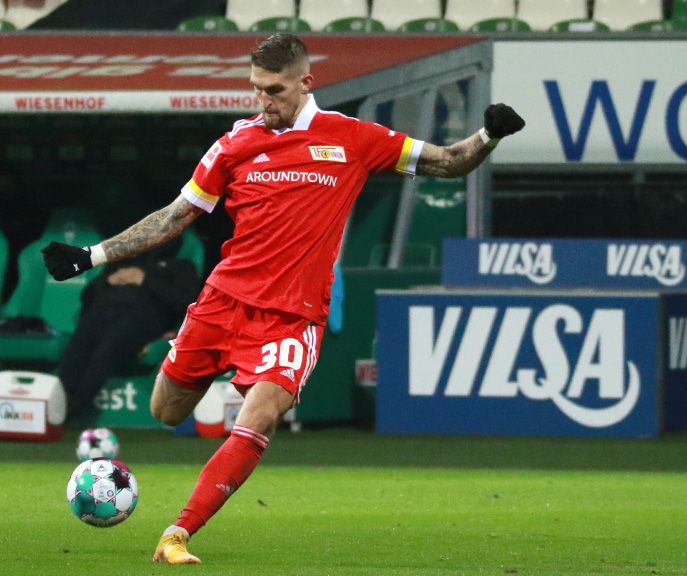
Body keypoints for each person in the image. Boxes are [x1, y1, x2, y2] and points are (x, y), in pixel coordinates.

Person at [42, 33, 525, 564]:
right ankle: (229, 387)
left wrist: (488, 135)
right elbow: (176, 216)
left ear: (305, 83)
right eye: (256, 88)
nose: (263, 100)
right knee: (165, 409)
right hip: (223, 301)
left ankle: (178, 533)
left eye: (273, 90)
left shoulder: (353, 138)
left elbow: (449, 161)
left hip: (293, 316)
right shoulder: (235, 143)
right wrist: (92, 255)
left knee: (262, 416)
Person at [58, 237, 200, 423]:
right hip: (103, 312)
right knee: (81, 338)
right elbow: (86, 296)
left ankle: (75, 404)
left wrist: (145, 279)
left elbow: (185, 301)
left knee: (109, 347)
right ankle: (60, 396)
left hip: (144, 318)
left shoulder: (182, 267)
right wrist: (108, 280)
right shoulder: (124, 262)